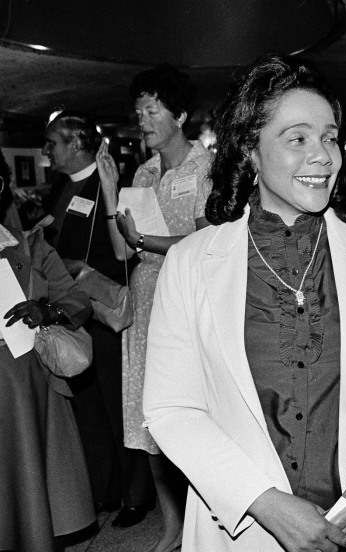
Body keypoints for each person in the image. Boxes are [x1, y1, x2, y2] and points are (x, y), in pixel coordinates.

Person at [142, 56, 346, 552]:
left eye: (329, 137)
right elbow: (172, 408)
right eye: (298, 138)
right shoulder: (190, 262)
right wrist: (263, 503)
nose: (324, 158)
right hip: (244, 531)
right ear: (250, 149)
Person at [97, 64, 212, 551]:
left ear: (180, 114)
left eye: (152, 109)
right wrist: (108, 191)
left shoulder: (206, 167)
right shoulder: (142, 171)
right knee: (151, 421)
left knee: (192, 412)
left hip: (186, 299)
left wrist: (144, 238)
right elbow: (124, 253)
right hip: (145, 304)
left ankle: (205, 523)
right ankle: (171, 525)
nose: (141, 119)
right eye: (138, 110)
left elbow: (210, 241)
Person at [41, 110, 154, 522]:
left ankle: (137, 495)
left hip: (103, 311)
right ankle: (105, 488)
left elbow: (123, 255)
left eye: (52, 142)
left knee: (118, 404)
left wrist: (74, 266)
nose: (46, 151)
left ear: (75, 143)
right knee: (88, 407)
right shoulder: (60, 188)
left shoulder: (109, 187)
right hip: (73, 312)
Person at [0, 159, 95, 551]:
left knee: (26, 485)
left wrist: (47, 311)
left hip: (24, 385)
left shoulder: (31, 246)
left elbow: (77, 300)